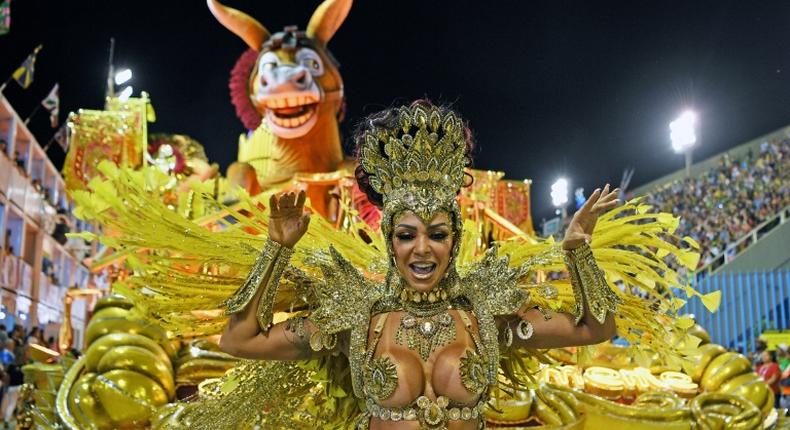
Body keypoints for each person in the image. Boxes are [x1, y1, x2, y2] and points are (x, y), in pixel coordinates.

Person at [79, 101, 694, 429]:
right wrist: (277, 249)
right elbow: (239, 337)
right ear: (389, 241)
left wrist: (580, 249)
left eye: (436, 234)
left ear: (456, 239)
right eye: (406, 235)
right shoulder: (354, 320)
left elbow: (597, 328)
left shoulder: (488, 315)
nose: (421, 249)